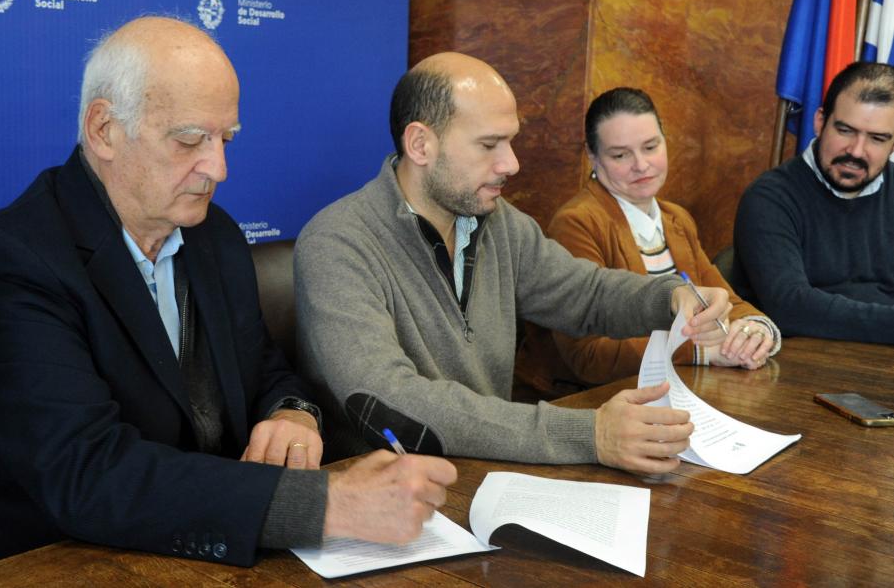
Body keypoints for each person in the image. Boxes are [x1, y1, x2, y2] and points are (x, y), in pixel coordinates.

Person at [0, 16, 455, 573]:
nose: (219, 167)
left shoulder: (213, 235)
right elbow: (87, 473)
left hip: (206, 553)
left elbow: (265, 370)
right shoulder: (12, 257)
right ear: (103, 130)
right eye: (190, 139)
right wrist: (326, 505)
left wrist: (294, 415)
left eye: (225, 139)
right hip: (56, 563)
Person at [294, 52, 732, 475]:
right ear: (421, 144)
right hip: (388, 500)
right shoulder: (338, 242)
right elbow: (389, 397)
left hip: (495, 472)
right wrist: (588, 433)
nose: (512, 163)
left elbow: (585, 295)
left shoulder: (500, 223)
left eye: (510, 141)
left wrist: (669, 296)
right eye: (489, 145)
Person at [516, 87, 779, 398]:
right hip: (585, 400)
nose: (641, 165)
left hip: (676, 390)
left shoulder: (675, 218)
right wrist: (702, 352)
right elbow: (588, 357)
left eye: (651, 147)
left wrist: (756, 331)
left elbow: (726, 301)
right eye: (620, 155)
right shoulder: (577, 221)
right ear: (591, 155)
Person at [732, 62, 894, 343]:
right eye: (845, 130)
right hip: (795, 369)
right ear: (820, 121)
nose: (856, 151)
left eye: (877, 139)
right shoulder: (770, 197)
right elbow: (789, 306)